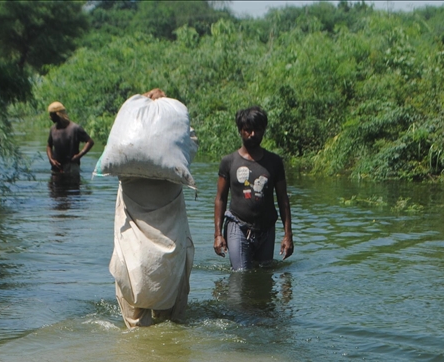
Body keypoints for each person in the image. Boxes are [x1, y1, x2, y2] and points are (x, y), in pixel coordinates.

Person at [109, 89, 194, 328]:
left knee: (134, 299)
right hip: (170, 233)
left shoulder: (128, 153)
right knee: (171, 319)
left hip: (132, 237)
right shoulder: (174, 159)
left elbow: (116, 146)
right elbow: (190, 146)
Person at [214, 106, 293, 271]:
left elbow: (283, 199)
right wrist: (218, 234)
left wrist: (288, 235)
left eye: (257, 130)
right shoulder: (229, 162)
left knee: (263, 274)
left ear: (263, 130)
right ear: (240, 131)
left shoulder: (274, 162)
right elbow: (220, 198)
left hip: (266, 229)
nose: (252, 134)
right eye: (247, 130)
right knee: (241, 273)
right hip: (238, 225)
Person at [46, 101, 94, 175]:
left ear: (57, 114)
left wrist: (79, 155)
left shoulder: (75, 128)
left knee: (73, 185)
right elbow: (49, 146)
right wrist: (51, 159)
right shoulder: (53, 129)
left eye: (51, 115)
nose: (50, 117)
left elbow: (90, 142)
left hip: (71, 166)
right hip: (56, 166)